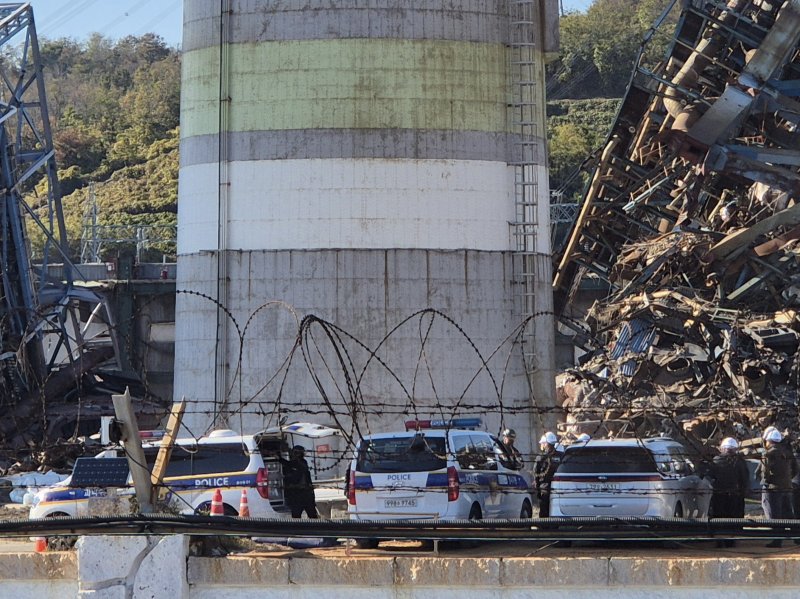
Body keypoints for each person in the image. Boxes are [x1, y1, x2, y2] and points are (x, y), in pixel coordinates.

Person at [710, 437, 750, 547]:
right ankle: (731, 541)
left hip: (719, 495)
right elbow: (745, 478)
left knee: (719, 517)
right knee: (735, 518)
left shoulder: (716, 460)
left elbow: (711, 477)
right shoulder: (740, 462)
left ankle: (719, 541)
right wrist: (743, 492)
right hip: (735, 496)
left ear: (722, 448)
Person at [760, 429, 796, 547]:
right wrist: (788, 480)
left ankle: (777, 540)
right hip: (787, 487)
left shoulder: (768, 454)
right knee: (788, 514)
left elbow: (765, 473)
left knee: (775, 515)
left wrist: (767, 482)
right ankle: (797, 537)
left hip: (774, 489)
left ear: (768, 441)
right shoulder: (787, 453)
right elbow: (796, 469)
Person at [280, 445, 318, 519]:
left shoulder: (301, 463)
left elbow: (294, 464)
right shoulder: (291, 466)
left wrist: (279, 458)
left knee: (312, 516)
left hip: (304, 495)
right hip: (297, 495)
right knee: (297, 516)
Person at [533, 431, 561, 518]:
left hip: (545, 487)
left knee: (544, 510)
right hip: (559, 487)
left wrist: (537, 489)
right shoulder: (561, 456)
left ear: (546, 444)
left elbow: (536, 474)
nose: (541, 445)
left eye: (542, 443)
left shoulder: (541, 457)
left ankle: (544, 529)